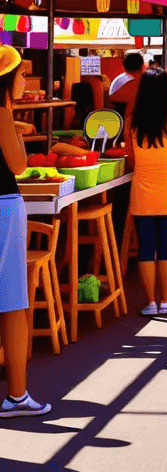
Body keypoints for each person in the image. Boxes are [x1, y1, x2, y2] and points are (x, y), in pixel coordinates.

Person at [0, 47, 50, 418]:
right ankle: (17, 394)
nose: (24, 82)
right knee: (13, 303)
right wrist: (15, 130)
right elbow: (18, 164)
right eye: (20, 75)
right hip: (4, 206)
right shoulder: (1, 113)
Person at [126, 66, 167, 316]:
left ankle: (150, 302)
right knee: (166, 247)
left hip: (141, 189)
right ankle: (166, 300)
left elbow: (130, 160)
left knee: (145, 247)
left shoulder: (131, 122)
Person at [109, 49, 145, 133]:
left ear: (124, 67)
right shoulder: (147, 83)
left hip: (117, 127)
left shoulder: (117, 81)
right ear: (143, 66)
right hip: (140, 129)